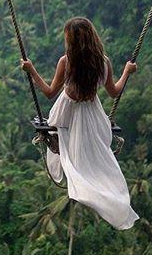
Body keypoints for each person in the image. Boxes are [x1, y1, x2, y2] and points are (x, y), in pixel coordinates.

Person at [21, 16, 139, 230]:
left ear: (71, 42)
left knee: (66, 142)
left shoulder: (66, 62)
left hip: (66, 113)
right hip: (91, 114)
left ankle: (58, 144)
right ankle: (66, 151)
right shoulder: (103, 62)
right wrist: (126, 73)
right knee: (92, 155)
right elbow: (114, 92)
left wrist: (31, 71)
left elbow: (49, 93)